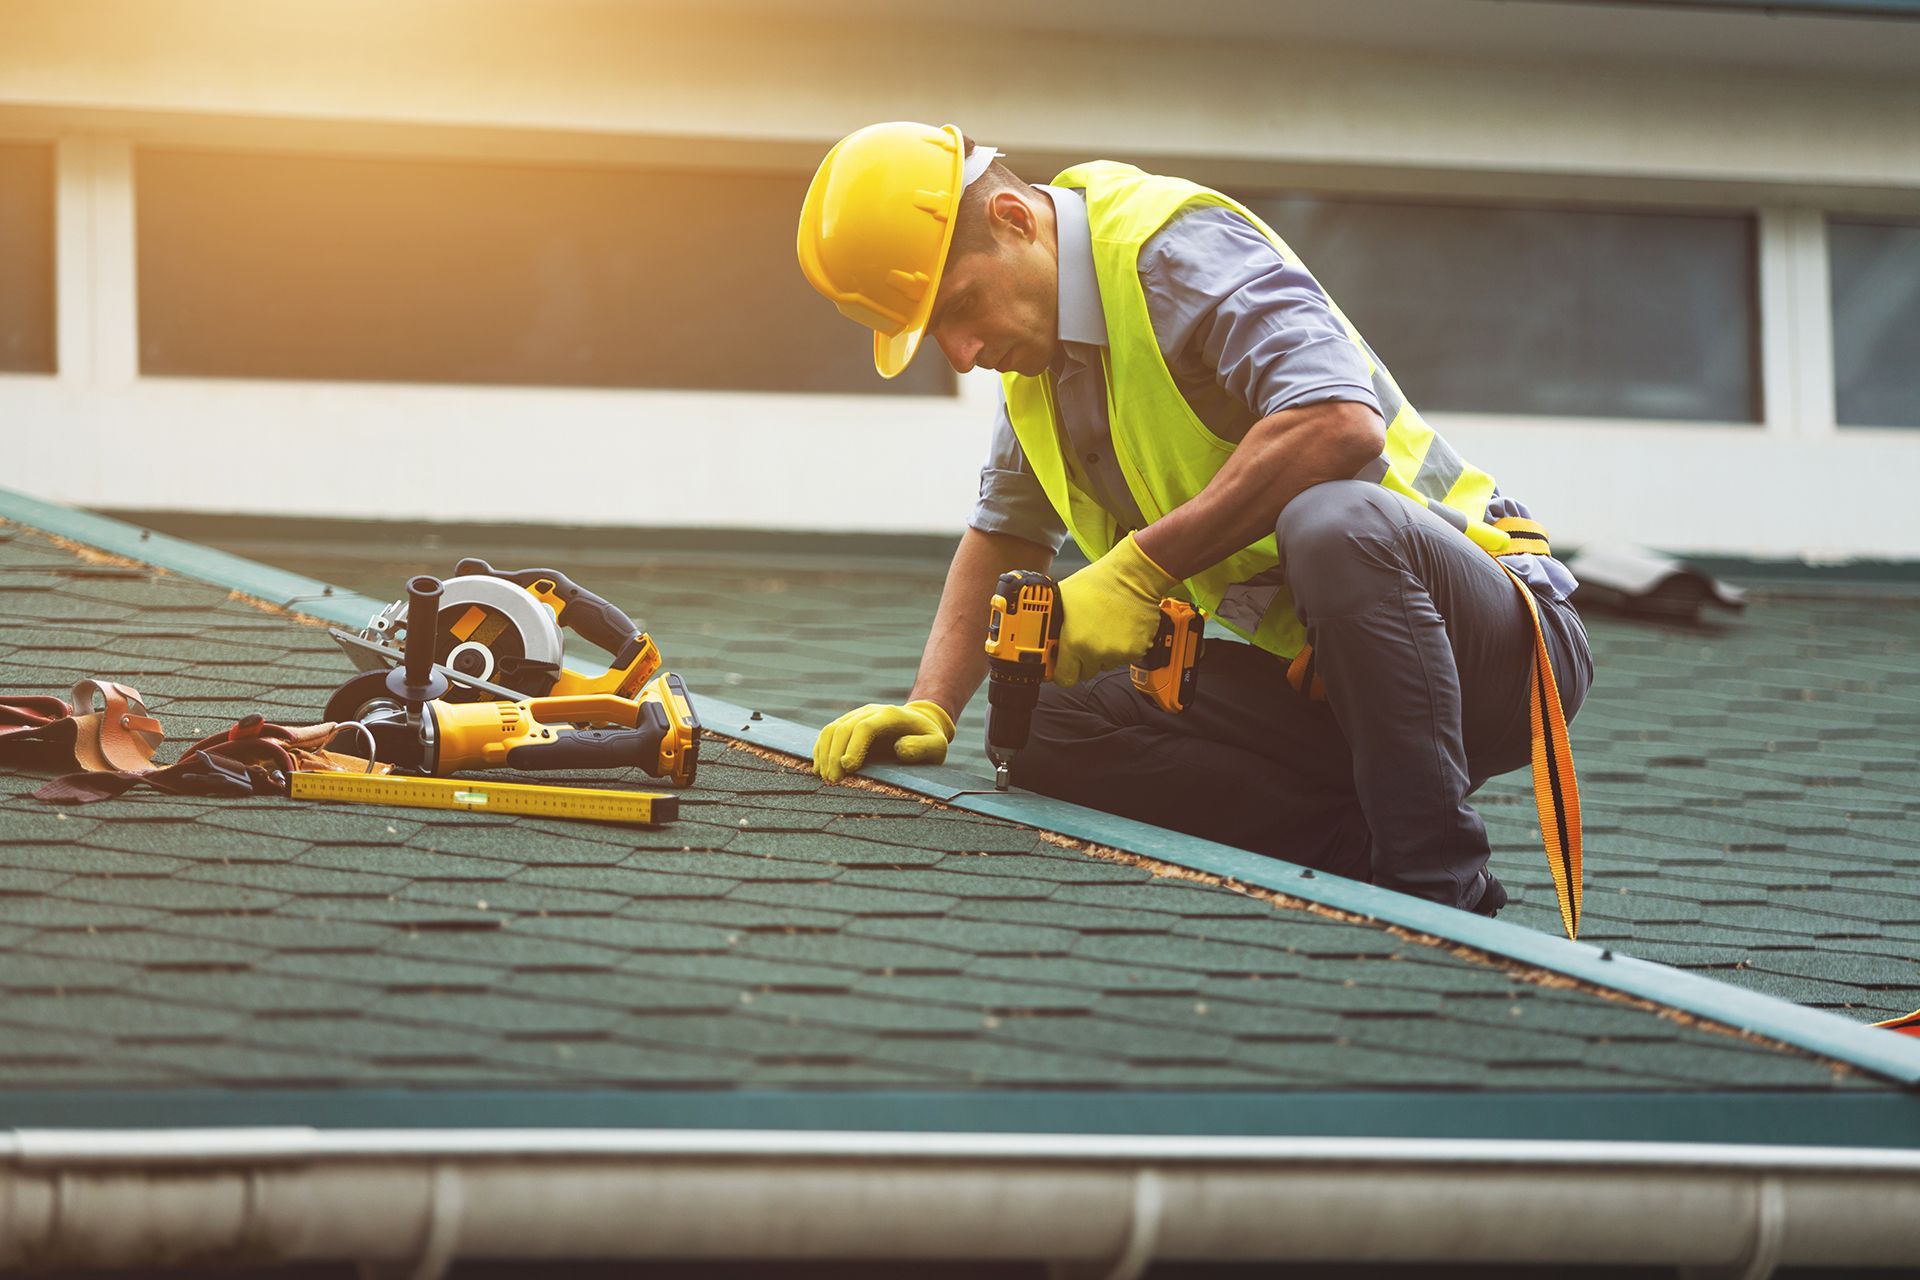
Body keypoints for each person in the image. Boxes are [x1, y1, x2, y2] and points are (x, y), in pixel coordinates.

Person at [794, 121, 1593, 924]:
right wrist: (933, 705)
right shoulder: (1036, 359)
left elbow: (1337, 422)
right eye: (937, 334)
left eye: (962, 305)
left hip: (1501, 651)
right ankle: (1365, 851)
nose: (963, 353)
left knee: (1335, 522)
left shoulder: (1172, 251)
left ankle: (1436, 892)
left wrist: (1140, 569)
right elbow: (1007, 528)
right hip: (1339, 690)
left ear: (1014, 218)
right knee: (1047, 726)